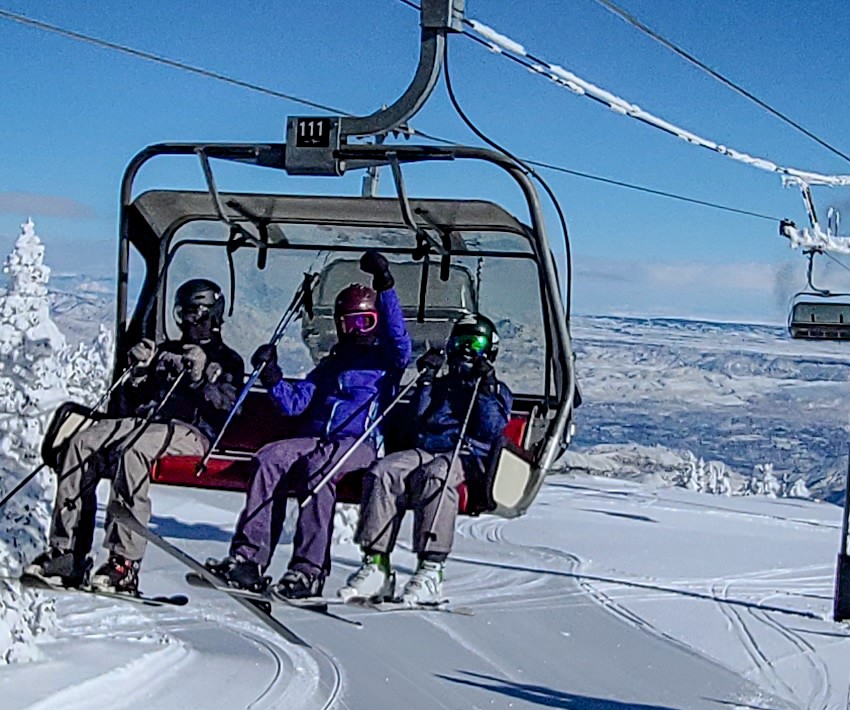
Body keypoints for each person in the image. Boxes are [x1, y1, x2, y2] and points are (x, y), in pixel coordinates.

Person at [31, 278, 246, 597]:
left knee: (133, 450)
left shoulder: (227, 360)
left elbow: (229, 409)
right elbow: (134, 399)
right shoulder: (167, 352)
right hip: (146, 423)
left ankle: (124, 563)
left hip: (194, 433)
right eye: (184, 314)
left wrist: (201, 380)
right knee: (81, 442)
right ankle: (68, 553)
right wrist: (139, 371)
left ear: (214, 316)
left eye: (197, 314)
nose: (189, 322)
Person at [223, 250, 411, 600]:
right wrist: (273, 375)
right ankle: (248, 557)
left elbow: (401, 340)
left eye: (364, 322)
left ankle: (308, 570)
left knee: (318, 470)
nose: (355, 330)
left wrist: (385, 284)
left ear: (376, 322)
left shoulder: (386, 361)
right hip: (316, 437)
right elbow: (296, 402)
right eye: (348, 323)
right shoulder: (332, 364)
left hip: (358, 443)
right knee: (270, 458)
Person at [344, 314, 511, 607]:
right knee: (383, 472)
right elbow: (420, 420)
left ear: (489, 349)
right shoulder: (442, 385)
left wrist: (484, 387)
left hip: (468, 455)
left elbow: (491, 429)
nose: (467, 350)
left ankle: (431, 568)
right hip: (429, 448)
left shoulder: (494, 389)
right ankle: (377, 563)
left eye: (475, 343)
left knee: (437, 475)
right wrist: (426, 381)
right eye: (461, 342)